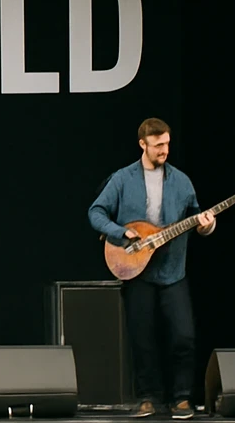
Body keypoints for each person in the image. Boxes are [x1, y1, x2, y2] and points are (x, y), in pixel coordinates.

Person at [88, 119, 216, 420]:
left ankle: (182, 398)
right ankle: (148, 397)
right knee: (142, 336)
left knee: (183, 335)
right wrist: (121, 233)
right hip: (137, 269)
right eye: (158, 145)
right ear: (143, 144)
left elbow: (197, 217)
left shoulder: (182, 181)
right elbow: (96, 212)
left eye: (167, 144)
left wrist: (207, 226)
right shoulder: (122, 179)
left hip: (173, 270)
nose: (164, 150)